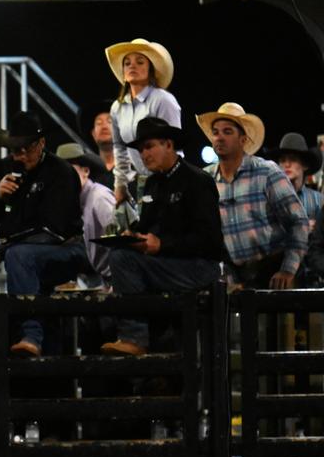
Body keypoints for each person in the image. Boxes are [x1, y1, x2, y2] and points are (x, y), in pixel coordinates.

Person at [100, 118, 224, 356]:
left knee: (121, 260)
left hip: (199, 268)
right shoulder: (152, 184)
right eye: (140, 149)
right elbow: (149, 228)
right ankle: (149, 364)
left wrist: (163, 245)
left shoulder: (197, 180)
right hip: (170, 265)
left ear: (168, 144)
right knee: (120, 259)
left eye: (149, 147)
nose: (144, 154)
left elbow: (210, 242)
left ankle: (134, 338)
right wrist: (134, 236)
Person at [0, 112, 84, 356]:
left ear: (41, 144)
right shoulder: (5, 169)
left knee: (18, 256)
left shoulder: (61, 172)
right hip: (24, 259)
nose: (21, 156)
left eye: (26, 149)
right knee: (20, 264)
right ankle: (30, 346)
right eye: (16, 151)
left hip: (66, 249)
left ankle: (31, 335)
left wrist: (2, 251)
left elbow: (53, 229)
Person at [198, 102, 308, 290]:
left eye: (228, 131)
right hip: (235, 276)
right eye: (215, 132)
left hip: (274, 269)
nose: (220, 137)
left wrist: (288, 270)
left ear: (243, 139)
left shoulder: (266, 172)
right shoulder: (205, 179)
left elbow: (298, 222)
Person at [104, 39, 181, 203]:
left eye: (140, 62)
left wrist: (175, 183)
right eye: (127, 63)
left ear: (150, 70)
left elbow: (175, 144)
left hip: (168, 179)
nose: (132, 66)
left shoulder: (162, 100)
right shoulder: (117, 107)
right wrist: (120, 185)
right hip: (140, 183)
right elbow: (120, 148)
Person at [56, 142, 116, 289]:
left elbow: (118, 241)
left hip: (118, 278)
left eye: (70, 170)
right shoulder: (76, 202)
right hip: (106, 279)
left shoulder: (99, 198)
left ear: (85, 171)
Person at [267, 132, 323, 230]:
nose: (287, 164)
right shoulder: (270, 200)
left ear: (305, 165)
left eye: (293, 159)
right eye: (283, 160)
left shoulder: (318, 200)